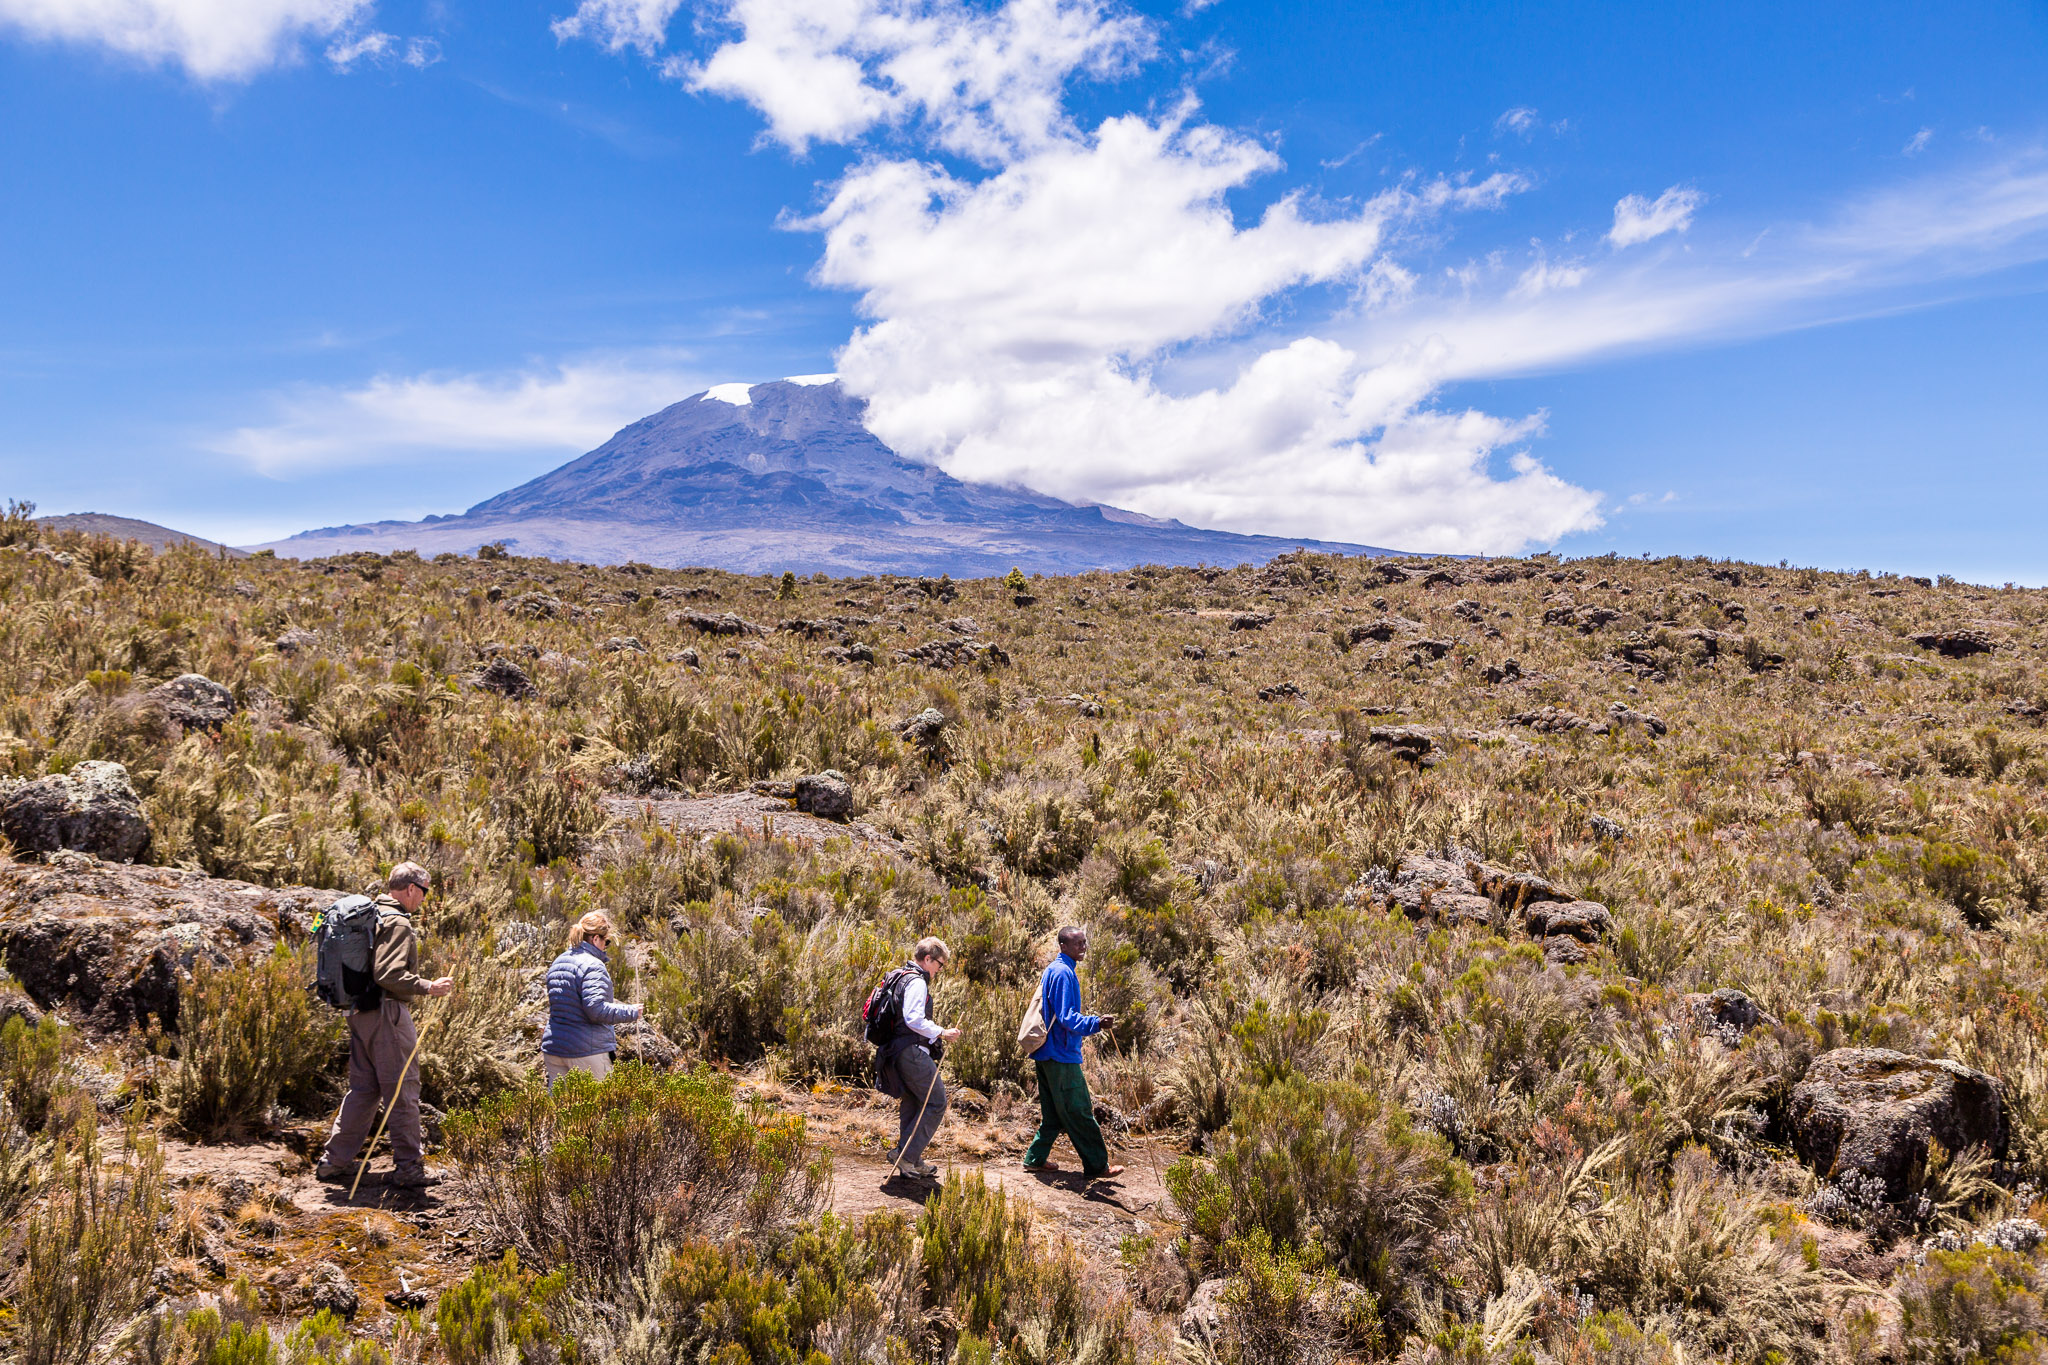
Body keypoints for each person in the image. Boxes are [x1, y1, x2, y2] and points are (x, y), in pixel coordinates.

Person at [316, 862, 456, 1189]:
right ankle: (409, 1167)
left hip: (359, 1013)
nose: (423, 899)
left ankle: (333, 1163)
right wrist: (427, 986)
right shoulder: (397, 923)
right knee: (403, 1090)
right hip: (386, 1014)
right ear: (411, 889)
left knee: (364, 1090)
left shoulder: (372, 916)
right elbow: (388, 975)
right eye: (424, 892)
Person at [1023, 926, 1124, 1181]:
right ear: (1063, 946)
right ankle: (1098, 1165)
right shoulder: (1064, 973)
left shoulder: (1054, 970)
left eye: (1084, 942)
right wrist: (1097, 1023)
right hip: (1061, 1056)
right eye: (1078, 943)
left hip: (1046, 1054)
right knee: (1080, 1111)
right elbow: (1068, 1018)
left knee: (1054, 1114)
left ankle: (1034, 1159)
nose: (1083, 947)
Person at [878, 937, 961, 1178]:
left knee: (914, 1103)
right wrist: (942, 1032)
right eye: (939, 964)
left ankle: (909, 1159)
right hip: (910, 1052)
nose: (939, 969)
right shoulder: (916, 982)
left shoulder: (900, 976)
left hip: (895, 1051)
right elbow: (914, 1019)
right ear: (927, 959)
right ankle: (907, 1157)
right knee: (936, 1102)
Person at [541, 910, 644, 1088]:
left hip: (555, 1049)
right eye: (607, 941)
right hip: (587, 1052)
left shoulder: (558, 962)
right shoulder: (593, 966)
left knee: (560, 1111)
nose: (606, 946)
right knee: (599, 1110)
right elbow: (595, 1010)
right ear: (596, 939)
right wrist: (631, 1012)